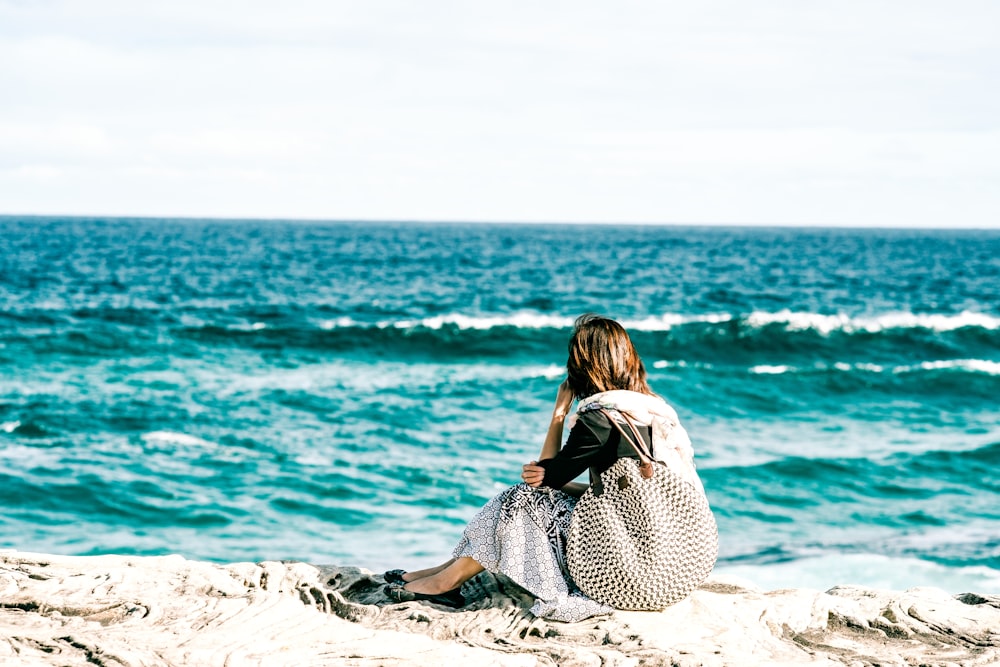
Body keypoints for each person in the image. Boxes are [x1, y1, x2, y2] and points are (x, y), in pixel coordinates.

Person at [383, 314, 707, 622]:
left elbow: (543, 480)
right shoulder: (651, 412)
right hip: (672, 569)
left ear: (584, 365)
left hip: (626, 572)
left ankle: (444, 583)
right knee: (523, 498)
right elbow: (615, 497)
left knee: (521, 499)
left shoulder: (601, 419)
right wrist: (553, 481)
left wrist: (559, 412)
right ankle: (442, 573)